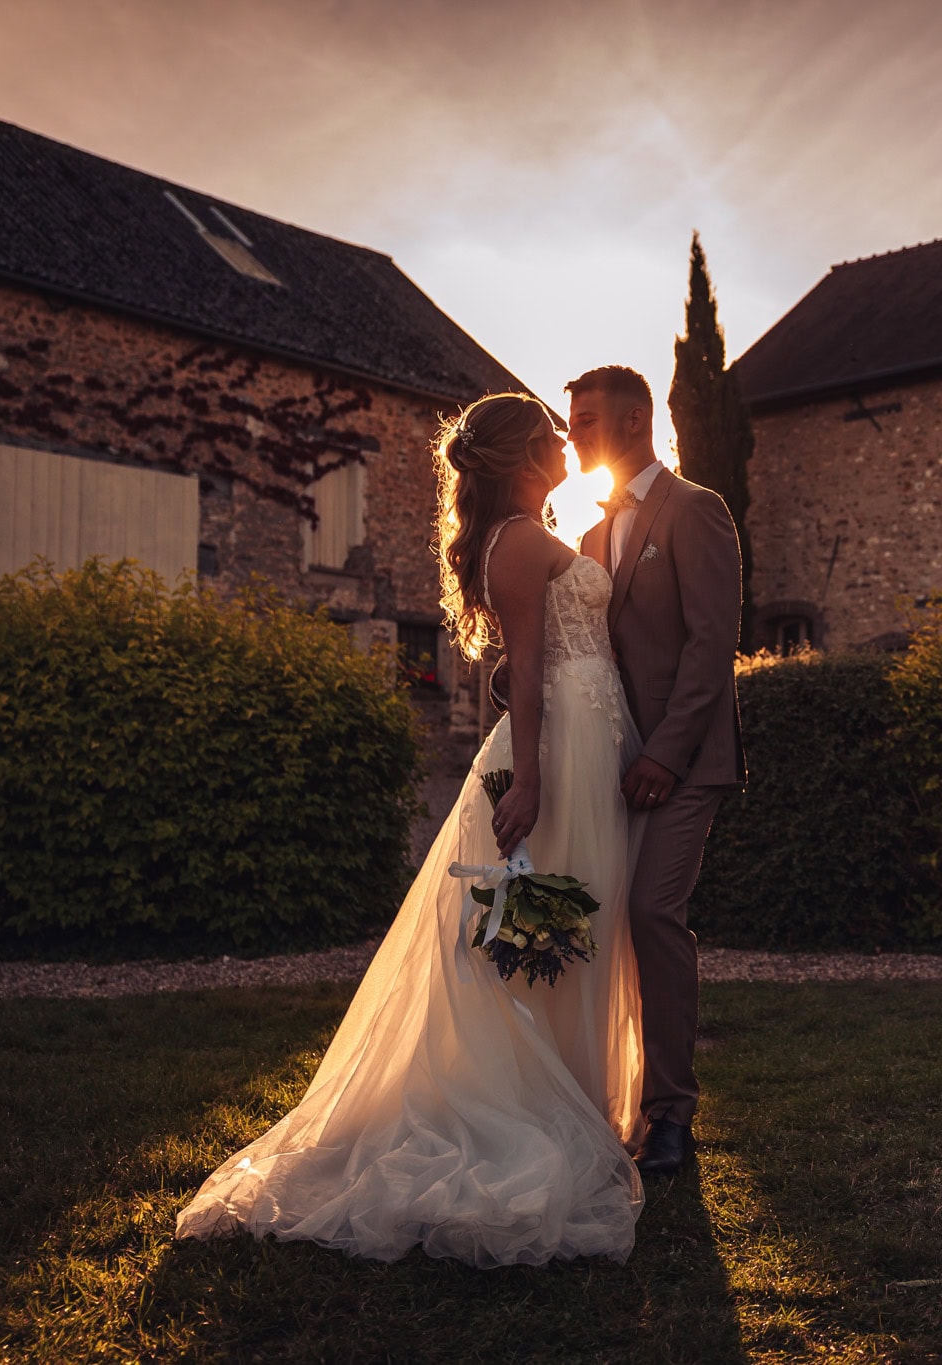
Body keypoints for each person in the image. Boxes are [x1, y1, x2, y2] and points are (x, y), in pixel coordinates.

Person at [176, 392, 647, 1267]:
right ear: (521, 456)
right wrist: (532, 778)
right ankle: (541, 1108)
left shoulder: (528, 534)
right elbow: (529, 669)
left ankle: (581, 1097)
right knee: (554, 919)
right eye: (549, 433)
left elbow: (535, 656)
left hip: (588, 733)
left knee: (576, 917)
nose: (563, 442)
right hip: (560, 749)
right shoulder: (517, 541)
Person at [570, 366, 744, 1179]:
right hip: (611, 759)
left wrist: (664, 755)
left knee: (651, 911)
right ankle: (604, 1096)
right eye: (571, 421)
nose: (573, 434)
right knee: (603, 919)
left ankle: (672, 1112)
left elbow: (712, 646)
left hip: (686, 758)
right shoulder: (589, 536)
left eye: (586, 420)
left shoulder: (696, 509)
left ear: (636, 420)